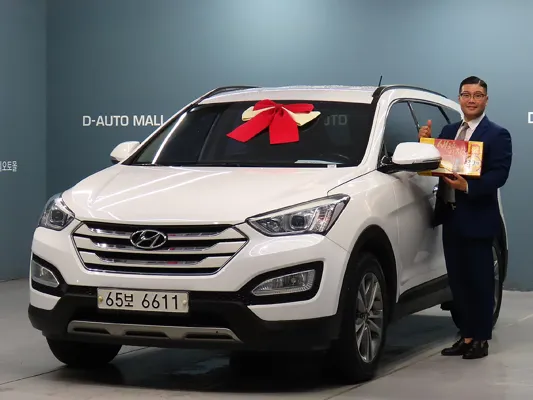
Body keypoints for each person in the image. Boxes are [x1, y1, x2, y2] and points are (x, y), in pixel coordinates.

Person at [418, 76, 512, 359]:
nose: (472, 100)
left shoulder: (497, 134)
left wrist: (468, 187)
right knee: (458, 283)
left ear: (486, 100)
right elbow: (434, 165)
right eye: (466, 94)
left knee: (480, 283)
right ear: (459, 98)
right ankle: (466, 335)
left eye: (478, 95)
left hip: (478, 218)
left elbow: (499, 175)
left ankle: (481, 339)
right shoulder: (448, 131)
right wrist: (424, 143)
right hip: (451, 217)